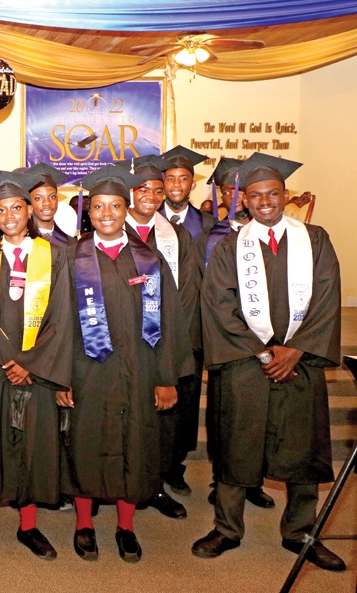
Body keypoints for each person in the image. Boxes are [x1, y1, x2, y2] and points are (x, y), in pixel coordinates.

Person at [191, 153, 345, 572]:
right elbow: (219, 306)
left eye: (272, 193)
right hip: (244, 362)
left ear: (285, 196)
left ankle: (301, 532)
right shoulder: (228, 247)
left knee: (302, 447)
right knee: (235, 444)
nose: (264, 201)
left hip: (302, 361)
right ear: (244, 201)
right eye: (255, 195)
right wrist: (262, 351)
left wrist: (296, 348)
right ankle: (226, 528)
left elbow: (328, 296)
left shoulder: (314, 239)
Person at [61, 164, 189, 563]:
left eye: (114, 206)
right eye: (98, 207)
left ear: (126, 207)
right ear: (89, 211)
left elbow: (170, 321)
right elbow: (59, 323)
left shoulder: (150, 260)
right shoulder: (71, 257)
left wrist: (167, 377)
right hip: (87, 370)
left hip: (140, 369)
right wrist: (61, 377)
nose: (106, 214)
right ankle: (84, 524)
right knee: (86, 444)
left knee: (136, 444)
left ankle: (126, 527)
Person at [0, 171, 72, 561]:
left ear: (29, 210)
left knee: (33, 446)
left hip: (37, 370)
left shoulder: (54, 255)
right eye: (2, 209)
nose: (9, 215)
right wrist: (6, 362)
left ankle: (28, 526)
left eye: (16, 207)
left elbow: (61, 315)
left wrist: (31, 363)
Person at [116, 155, 198, 520]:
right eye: (143, 188)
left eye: (158, 189)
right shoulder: (112, 228)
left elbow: (188, 291)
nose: (151, 195)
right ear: (129, 193)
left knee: (161, 419)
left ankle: (156, 485)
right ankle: (118, 485)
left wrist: (170, 338)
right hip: (119, 342)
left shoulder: (176, 235)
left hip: (162, 339)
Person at [193, 157, 274, 510]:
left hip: (267, 336)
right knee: (224, 416)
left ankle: (253, 481)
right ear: (222, 194)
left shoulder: (275, 236)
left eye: (242, 190)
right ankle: (223, 478)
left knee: (261, 416)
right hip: (223, 335)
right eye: (230, 189)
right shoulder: (211, 236)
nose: (237, 196)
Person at [159, 145, 215, 239]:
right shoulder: (151, 218)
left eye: (183, 178)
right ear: (163, 184)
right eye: (170, 178)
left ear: (193, 185)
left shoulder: (208, 223)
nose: (176, 184)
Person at [15, 163, 73, 246]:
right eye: (38, 198)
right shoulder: (18, 243)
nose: (47, 203)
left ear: (57, 199)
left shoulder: (72, 245)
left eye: (52, 196)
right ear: (29, 203)